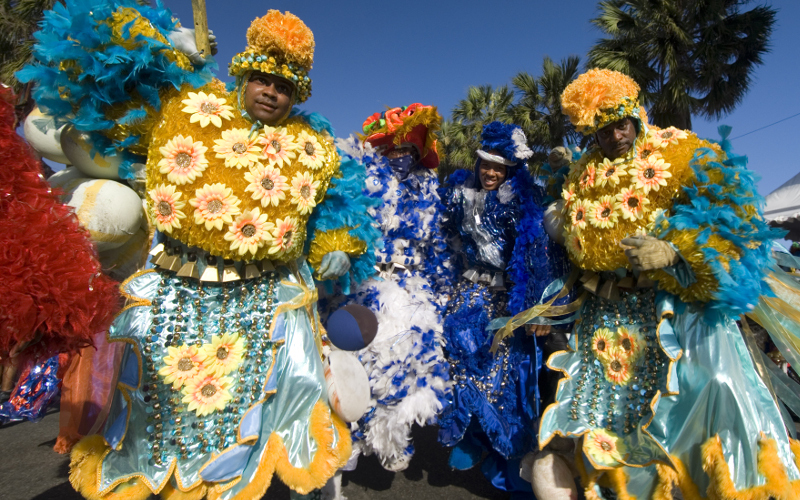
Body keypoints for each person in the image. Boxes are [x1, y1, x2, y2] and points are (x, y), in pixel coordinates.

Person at [20, 3, 379, 499]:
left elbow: (342, 203)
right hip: (178, 295)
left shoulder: (314, 142)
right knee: (164, 417)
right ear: (243, 75)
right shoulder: (187, 105)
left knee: (260, 416)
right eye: (262, 78)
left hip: (266, 298)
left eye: (284, 85)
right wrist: (169, 46)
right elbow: (105, 60)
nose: (271, 91)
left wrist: (339, 244)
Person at [537, 68, 800, 499]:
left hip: (680, 311)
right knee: (614, 422)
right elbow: (568, 232)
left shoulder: (679, 150)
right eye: (603, 131)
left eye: (621, 125)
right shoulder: (582, 175)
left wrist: (675, 251)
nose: (615, 137)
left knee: (713, 389)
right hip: (612, 319)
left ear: (636, 118)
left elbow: (734, 218)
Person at [437, 122, 569, 497]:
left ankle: (509, 460)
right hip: (467, 291)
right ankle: (471, 435)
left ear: (511, 170)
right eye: (486, 165)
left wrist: (538, 309)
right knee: (458, 356)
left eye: (499, 167)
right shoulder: (459, 193)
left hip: (508, 298)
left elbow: (538, 255)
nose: (491, 173)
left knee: (506, 376)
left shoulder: (522, 202)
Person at [331, 104, 452, 472]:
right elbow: (342, 219)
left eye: (410, 152)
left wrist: (442, 289)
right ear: (382, 150)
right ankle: (347, 437)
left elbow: (438, 246)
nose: (402, 158)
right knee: (353, 363)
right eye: (396, 150)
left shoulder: (428, 189)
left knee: (412, 362)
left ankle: (391, 439)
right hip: (364, 283)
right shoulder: (358, 180)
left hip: (411, 286)